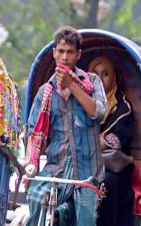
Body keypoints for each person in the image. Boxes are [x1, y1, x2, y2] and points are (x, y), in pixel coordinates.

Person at [25, 26, 107, 225]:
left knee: (85, 218)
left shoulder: (92, 82)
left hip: (87, 173)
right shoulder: (46, 92)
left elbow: (99, 112)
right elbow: (33, 133)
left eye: (70, 52)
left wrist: (72, 84)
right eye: (60, 51)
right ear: (54, 53)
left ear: (78, 55)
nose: (64, 57)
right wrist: (30, 161)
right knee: (36, 200)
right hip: (56, 170)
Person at [88, 56, 134, 226]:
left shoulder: (123, 107)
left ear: (113, 78)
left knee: (106, 182)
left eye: (105, 74)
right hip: (84, 162)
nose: (99, 78)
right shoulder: (81, 101)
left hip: (113, 167)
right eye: (95, 74)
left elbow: (121, 137)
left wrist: (96, 142)